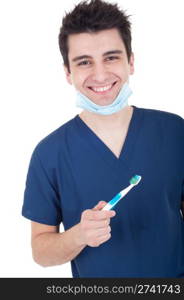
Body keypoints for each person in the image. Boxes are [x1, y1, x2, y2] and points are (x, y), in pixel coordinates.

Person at [22, 0, 184, 277]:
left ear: (131, 61)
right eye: (84, 62)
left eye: (111, 57)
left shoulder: (174, 131)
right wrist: (78, 235)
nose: (100, 74)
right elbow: (41, 252)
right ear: (67, 73)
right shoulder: (49, 154)